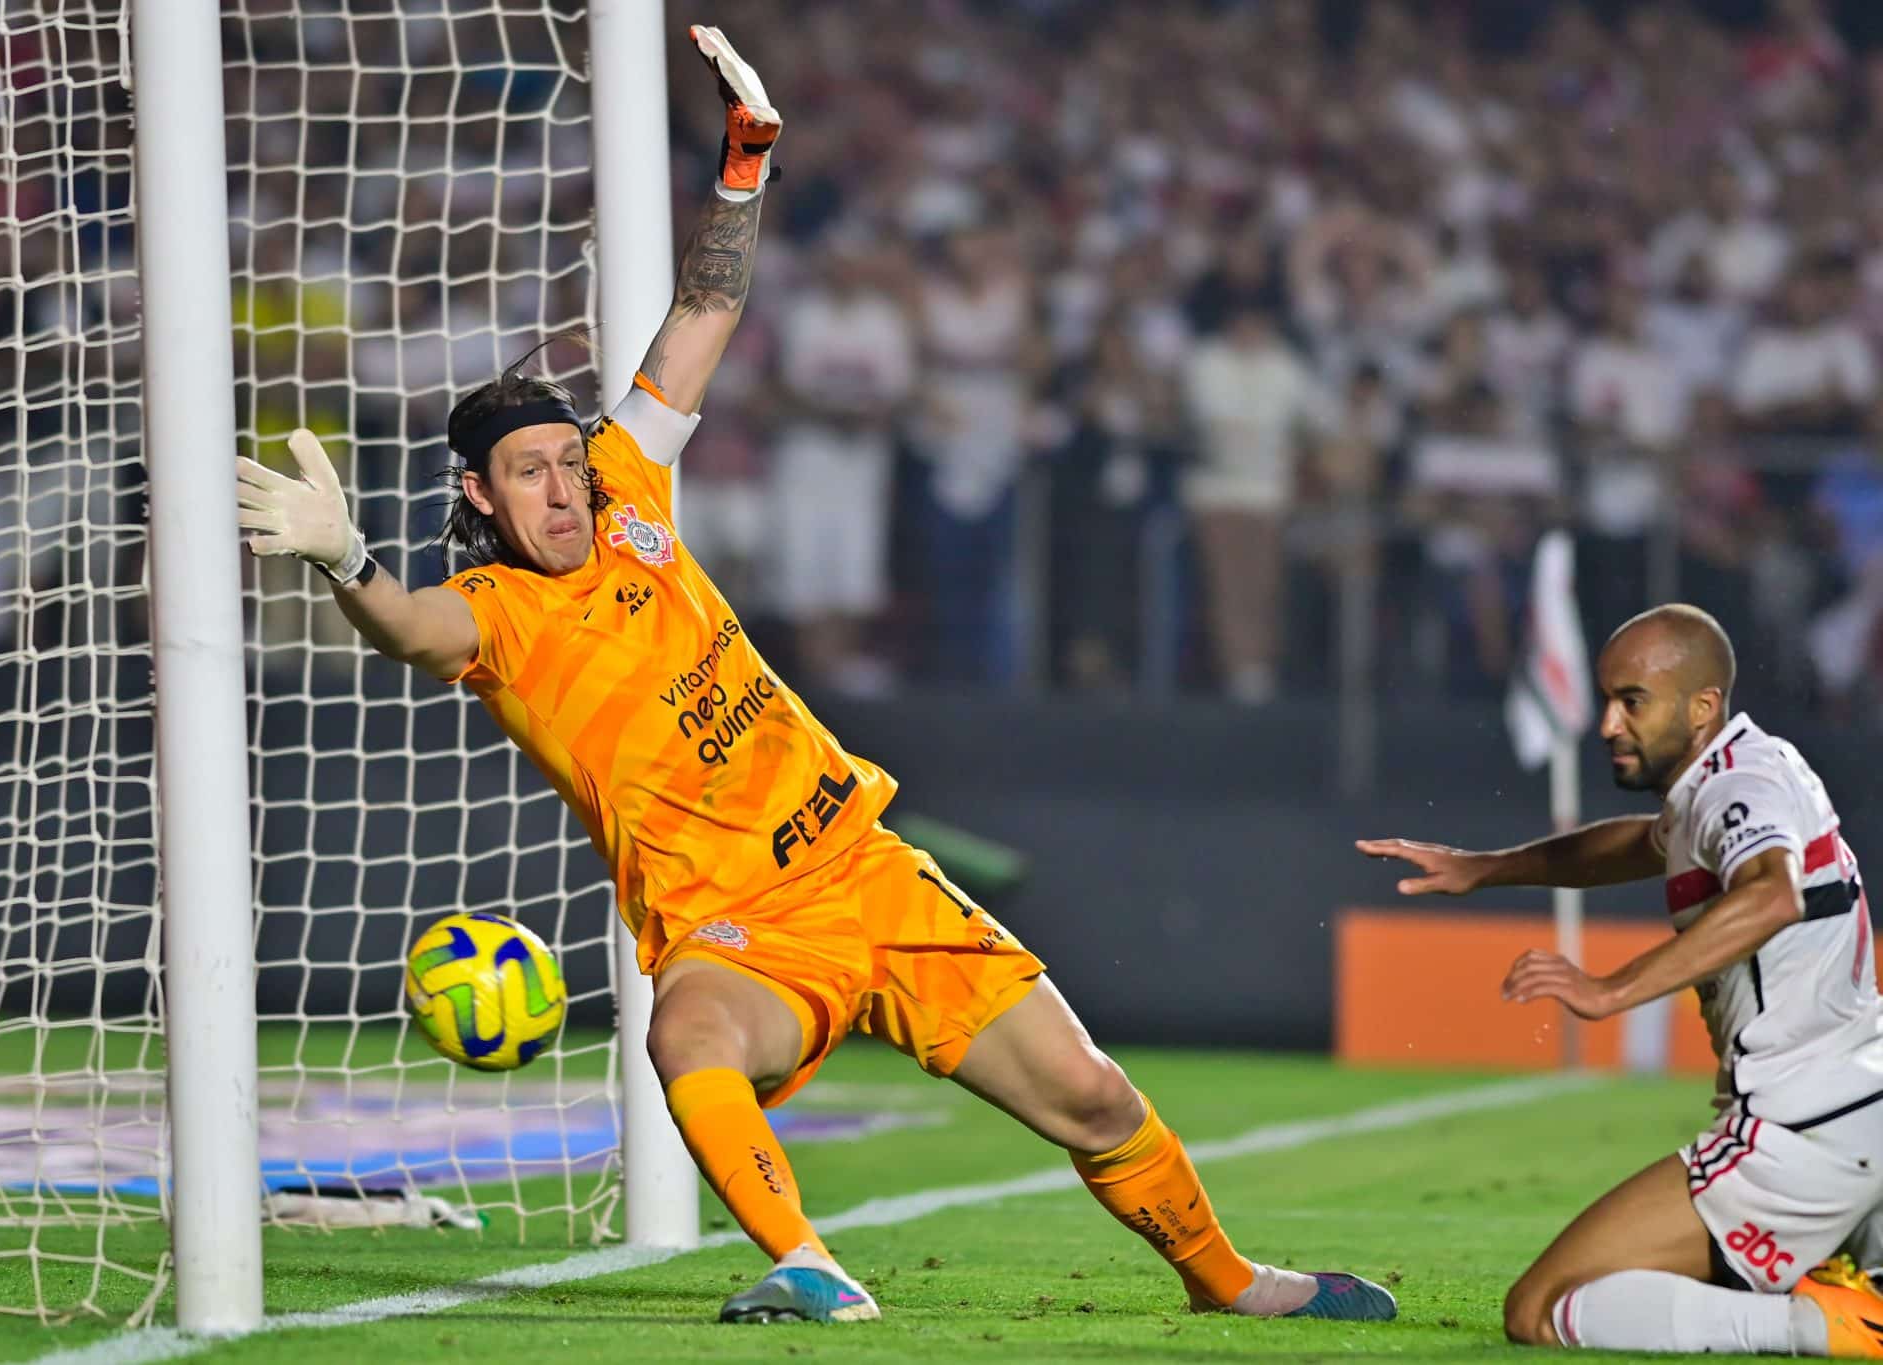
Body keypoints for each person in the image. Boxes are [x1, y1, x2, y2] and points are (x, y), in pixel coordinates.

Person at [235, 26, 1394, 1330]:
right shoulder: (493, 615)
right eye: (532, 473)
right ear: (480, 496)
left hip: (863, 869)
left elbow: (709, 309)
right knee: (687, 1037)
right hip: (738, 929)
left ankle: (1232, 1282)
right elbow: (405, 629)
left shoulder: (630, 494)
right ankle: (811, 1263)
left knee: (1094, 1099)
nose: (564, 488)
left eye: (569, 460)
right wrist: (344, 559)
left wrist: (742, 172)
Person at [1358, 604, 1883, 1357]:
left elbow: (1773, 893)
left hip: (1804, 1127)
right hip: (1861, 1098)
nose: (1607, 723)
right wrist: (1485, 868)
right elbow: (1634, 845)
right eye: (1608, 698)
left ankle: (1810, 1323)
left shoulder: (1740, 790)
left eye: (1632, 700)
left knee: (1543, 1307)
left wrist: (1610, 989)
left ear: (1703, 706)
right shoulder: (1735, 774)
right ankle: (1827, 1291)